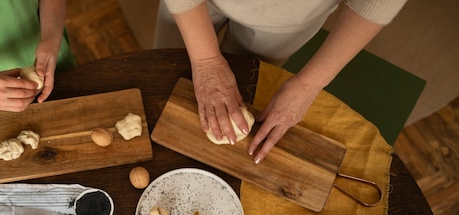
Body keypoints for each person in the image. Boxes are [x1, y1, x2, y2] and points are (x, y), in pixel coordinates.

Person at [154, 0, 407, 163]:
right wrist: (206, 60)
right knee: (164, 76)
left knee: (243, 88)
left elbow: (379, 3)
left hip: (285, 23)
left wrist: (309, 84)